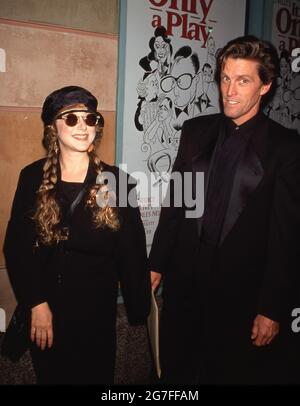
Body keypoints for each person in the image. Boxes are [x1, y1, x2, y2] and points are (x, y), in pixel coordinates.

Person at [149, 36, 300, 384]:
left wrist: (271, 308)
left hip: (241, 295)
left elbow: (285, 238)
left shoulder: (286, 148)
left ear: (265, 86)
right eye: (225, 78)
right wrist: (156, 263)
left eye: (243, 80)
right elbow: (176, 203)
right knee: (175, 369)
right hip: (184, 282)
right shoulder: (195, 130)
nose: (229, 90)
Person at [3, 86, 151, 384]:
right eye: (71, 119)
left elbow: (132, 252)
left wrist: (139, 309)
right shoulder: (31, 177)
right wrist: (36, 303)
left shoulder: (119, 182)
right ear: (52, 128)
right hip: (46, 310)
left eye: (90, 119)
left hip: (95, 313)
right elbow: (16, 248)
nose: (83, 127)